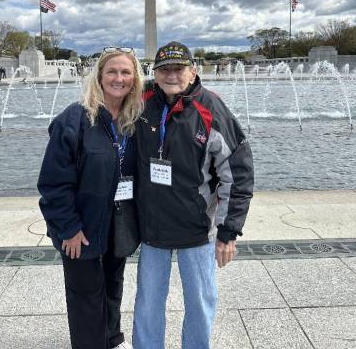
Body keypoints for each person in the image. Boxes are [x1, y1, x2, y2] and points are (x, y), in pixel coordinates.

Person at [133, 41, 254, 349]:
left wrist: (229, 231)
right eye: (163, 69)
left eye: (178, 68)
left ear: (193, 72)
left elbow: (237, 172)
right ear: (155, 73)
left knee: (200, 303)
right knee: (147, 304)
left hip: (198, 228)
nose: (171, 75)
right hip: (152, 227)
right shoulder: (142, 101)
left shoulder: (211, 107)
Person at [38, 46, 144, 349]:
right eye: (112, 71)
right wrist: (68, 228)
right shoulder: (75, 119)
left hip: (119, 221)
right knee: (85, 293)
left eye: (126, 72)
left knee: (113, 284)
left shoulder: (133, 120)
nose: (119, 78)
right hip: (80, 226)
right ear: (99, 76)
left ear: (135, 78)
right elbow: (53, 183)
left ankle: (111, 338)